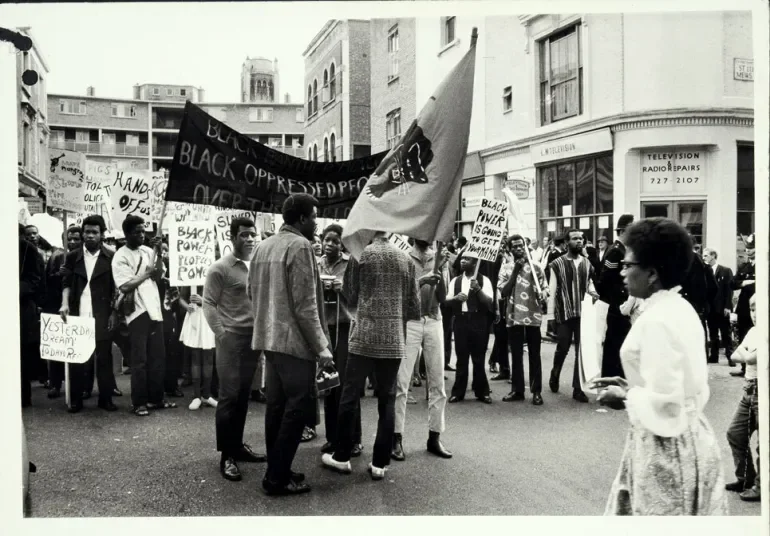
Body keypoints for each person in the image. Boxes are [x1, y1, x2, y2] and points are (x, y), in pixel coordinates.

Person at [592, 217, 727, 515]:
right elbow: (679, 386)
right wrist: (633, 387)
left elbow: (668, 405)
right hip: (691, 438)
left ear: (652, 273)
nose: (623, 273)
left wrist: (625, 397)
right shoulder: (678, 307)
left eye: (629, 265)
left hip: (665, 448)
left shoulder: (656, 319)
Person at [250, 195, 332, 496]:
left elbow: (251, 291)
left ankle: (278, 470)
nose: (317, 223)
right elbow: (305, 306)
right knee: (297, 410)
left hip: (269, 340)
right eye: (313, 216)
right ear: (300, 219)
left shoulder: (263, 245)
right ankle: (276, 478)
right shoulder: (300, 246)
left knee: (276, 408)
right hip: (294, 343)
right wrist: (322, 347)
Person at [322, 231, 421, 480]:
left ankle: (342, 456)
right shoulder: (406, 259)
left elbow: (351, 295)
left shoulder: (361, 255)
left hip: (364, 336)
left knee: (349, 395)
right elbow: (414, 306)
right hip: (394, 338)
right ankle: (380, 464)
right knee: (386, 399)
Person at [204, 216, 266, 483]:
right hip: (231, 340)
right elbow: (208, 304)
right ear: (232, 237)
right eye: (244, 235)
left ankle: (237, 446)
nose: (250, 239)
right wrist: (222, 334)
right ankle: (226, 455)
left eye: (253, 234)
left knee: (243, 396)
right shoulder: (220, 268)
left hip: (253, 340)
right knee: (228, 397)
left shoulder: (258, 265)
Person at [392, 239, 451, 462]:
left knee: (437, 382)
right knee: (401, 382)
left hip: (434, 319)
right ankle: (396, 437)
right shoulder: (404, 256)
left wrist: (442, 268)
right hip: (411, 321)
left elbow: (443, 297)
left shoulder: (439, 257)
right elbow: (400, 294)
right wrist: (422, 280)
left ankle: (435, 436)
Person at [112, 215, 173, 417]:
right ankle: (139, 402)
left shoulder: (148, 251)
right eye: (136, 232)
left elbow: (158, 276)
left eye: (142, 231)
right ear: (127, 234)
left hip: (154, 310)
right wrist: (145, 274)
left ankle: (156, 398)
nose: (141, 235)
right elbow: (125, 285)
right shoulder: (120, 256)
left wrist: (159, 254)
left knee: (157, 357)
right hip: (137, 311)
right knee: (140, 360)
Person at [60, 215, 119, 413]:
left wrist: (113, 313)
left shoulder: (111, 256)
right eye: (87, 232)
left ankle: (105, 398)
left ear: (102, 235)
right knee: (78, 358)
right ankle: (76, 399)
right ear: (82, 233)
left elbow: (116, 289)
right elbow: (66, 283)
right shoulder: (72, 257)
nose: (90, 236)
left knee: (104, 359)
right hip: (78, 314)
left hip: (102, 315)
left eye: (95, 232)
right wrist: (64, 304)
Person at [317, 224, 362, 458]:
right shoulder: (317, 264)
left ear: (342, 244)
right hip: (325, 329)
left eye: (335, 241)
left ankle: (354, 438)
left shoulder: (350, 263)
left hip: (345, 327)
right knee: (328, 383)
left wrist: (340, 288)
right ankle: (332, 437)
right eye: (327, 240)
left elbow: (356, 295)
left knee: (346, 384)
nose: (330, 244)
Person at [546, 229, 599, 403]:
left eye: (581, 239)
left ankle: (578, 388)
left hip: (582, 312)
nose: (579, 241)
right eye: (575, 238)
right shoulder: (556, 264)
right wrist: (550, 316)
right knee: (563, 346)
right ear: (567, 242)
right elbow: (552, 290)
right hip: (564, 312)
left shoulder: (587, 263)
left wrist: (593, 293)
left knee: (580, 351)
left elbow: (589, 284)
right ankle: (555, 373)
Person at [500, 235, 547, 405]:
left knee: (535, 354)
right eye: (515, 247)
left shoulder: (536, 268)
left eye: (521, 246)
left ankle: (536, 391)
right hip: (514, 317)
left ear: (527, 247)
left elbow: (545, 288)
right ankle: (517, 390)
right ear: (510, 250)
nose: (519, 249)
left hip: (533, 316)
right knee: (517, 355)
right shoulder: (506, 268)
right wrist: (515, 271)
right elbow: (503, 292)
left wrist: (544, 295)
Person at [725, 295, 761, 503]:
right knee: (736, 434)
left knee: (763, 443)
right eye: (752, 310)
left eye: (759, 309)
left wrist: (745, 353)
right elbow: (735, 355)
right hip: (748, 390)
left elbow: (748, 358)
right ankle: (745, 478)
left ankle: (761, 485)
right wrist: (746, 353)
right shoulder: (753, 331)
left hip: (761, 390)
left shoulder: (764, 333)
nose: (755, 315)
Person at [447, 253, 494, 406]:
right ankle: (458, 392)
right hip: (461, 321)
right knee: (461, 358)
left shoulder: (484, 280)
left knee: (479, 358)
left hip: (478, 320)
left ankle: (482, 392)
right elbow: (446, 300)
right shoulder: (455, 281)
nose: (462, 261)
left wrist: (478, 290)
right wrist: (455, 299)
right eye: (462, 259)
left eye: (467, 259)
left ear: (475, 263)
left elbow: (489, 303)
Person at [45, 226, 82, 399]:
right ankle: (55, 384)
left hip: (78, 305)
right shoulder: (58, 257)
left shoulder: (84, 257)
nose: (73, 242)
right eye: (69, 239)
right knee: (57, 347)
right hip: (58, 306)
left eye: (76, 238)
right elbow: (47, 280)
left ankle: (80, 386)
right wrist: (58, 274)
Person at [597, 214, 634, 379]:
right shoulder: (615, 252)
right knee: (614, 341)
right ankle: (610, 378)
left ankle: (616, 376)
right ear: (624, 231)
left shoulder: (623, 250)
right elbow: (606, 279)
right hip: (615, 304)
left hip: (620, 303)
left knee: (619, 341)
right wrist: (618, 296)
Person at [178, 285, 217, 410]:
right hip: (194, 315)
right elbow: (181, 298)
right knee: (196, 357)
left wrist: (204, 301)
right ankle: (196, 395)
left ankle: (206, 394)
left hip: (210, 316)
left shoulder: (216, 272)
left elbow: (223, 298)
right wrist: (187, 306)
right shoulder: (191, 278)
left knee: (209, 357)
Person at [19, 224, 45, 407]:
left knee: (21, 355)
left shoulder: (27, 249)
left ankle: (22, 397)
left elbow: (35, 280)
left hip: (21, 307)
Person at [703, 248, 734, 365]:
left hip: (722, 307)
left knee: (726, 332)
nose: (704, 258)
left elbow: (729, 290)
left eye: (706, 255)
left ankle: (730, 356)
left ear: (713, 256)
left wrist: (728, 307)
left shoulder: (725, 271)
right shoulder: (705, 271)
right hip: (710, 308)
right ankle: (714, 356)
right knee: (713, 333)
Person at [730, 234, 755, 377]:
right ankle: (744, 368)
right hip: (744, 307)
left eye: (752, 248)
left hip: (757, 306)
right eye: (747, 248)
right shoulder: (744, 266)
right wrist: (743, 283)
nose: (748, 251)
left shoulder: (763, 265)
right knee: (743, 335)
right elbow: (732, 283)